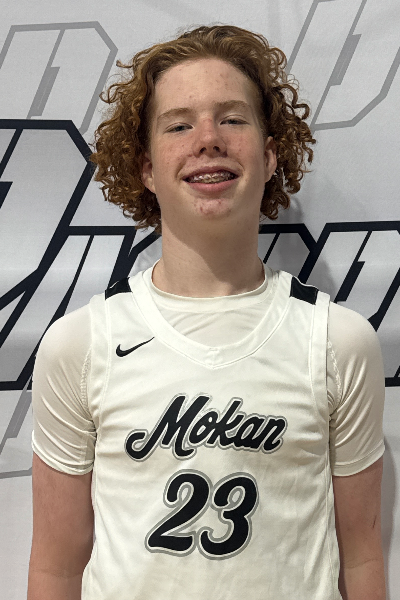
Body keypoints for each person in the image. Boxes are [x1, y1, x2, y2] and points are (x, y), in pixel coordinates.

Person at [28, 25, 386, 600]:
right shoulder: (81, 344)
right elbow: (56, 567)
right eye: (179, 125)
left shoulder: (337, 341)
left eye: (233, 119)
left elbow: (363, 557)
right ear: (146, 167)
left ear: (270, 156)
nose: (209, 139)